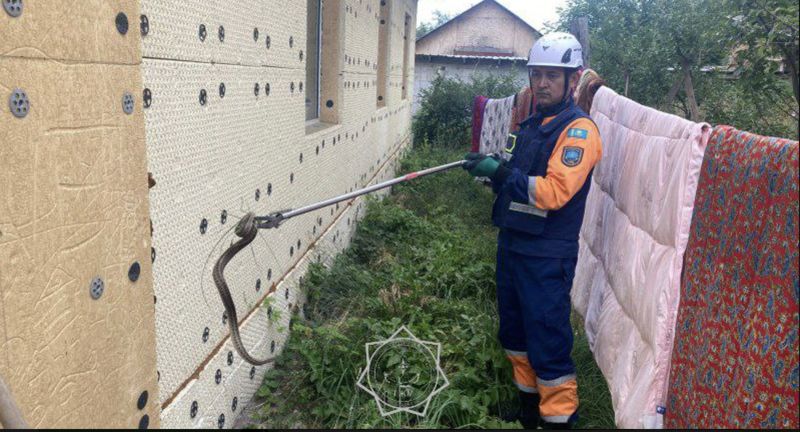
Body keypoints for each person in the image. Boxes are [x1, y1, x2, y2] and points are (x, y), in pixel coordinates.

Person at [462, 32, 603, 430]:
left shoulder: (578, 132)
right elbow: (514, 175)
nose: (541, 83)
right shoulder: (528, 125)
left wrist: (503, 173)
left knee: (548, 344)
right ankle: (528, 412)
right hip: (513, 247)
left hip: (546, 256)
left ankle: (557, 421)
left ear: (572, 81)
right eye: (536, 74)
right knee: (516, 335)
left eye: (551, 76)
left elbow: (555, 191)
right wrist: (491, 172)